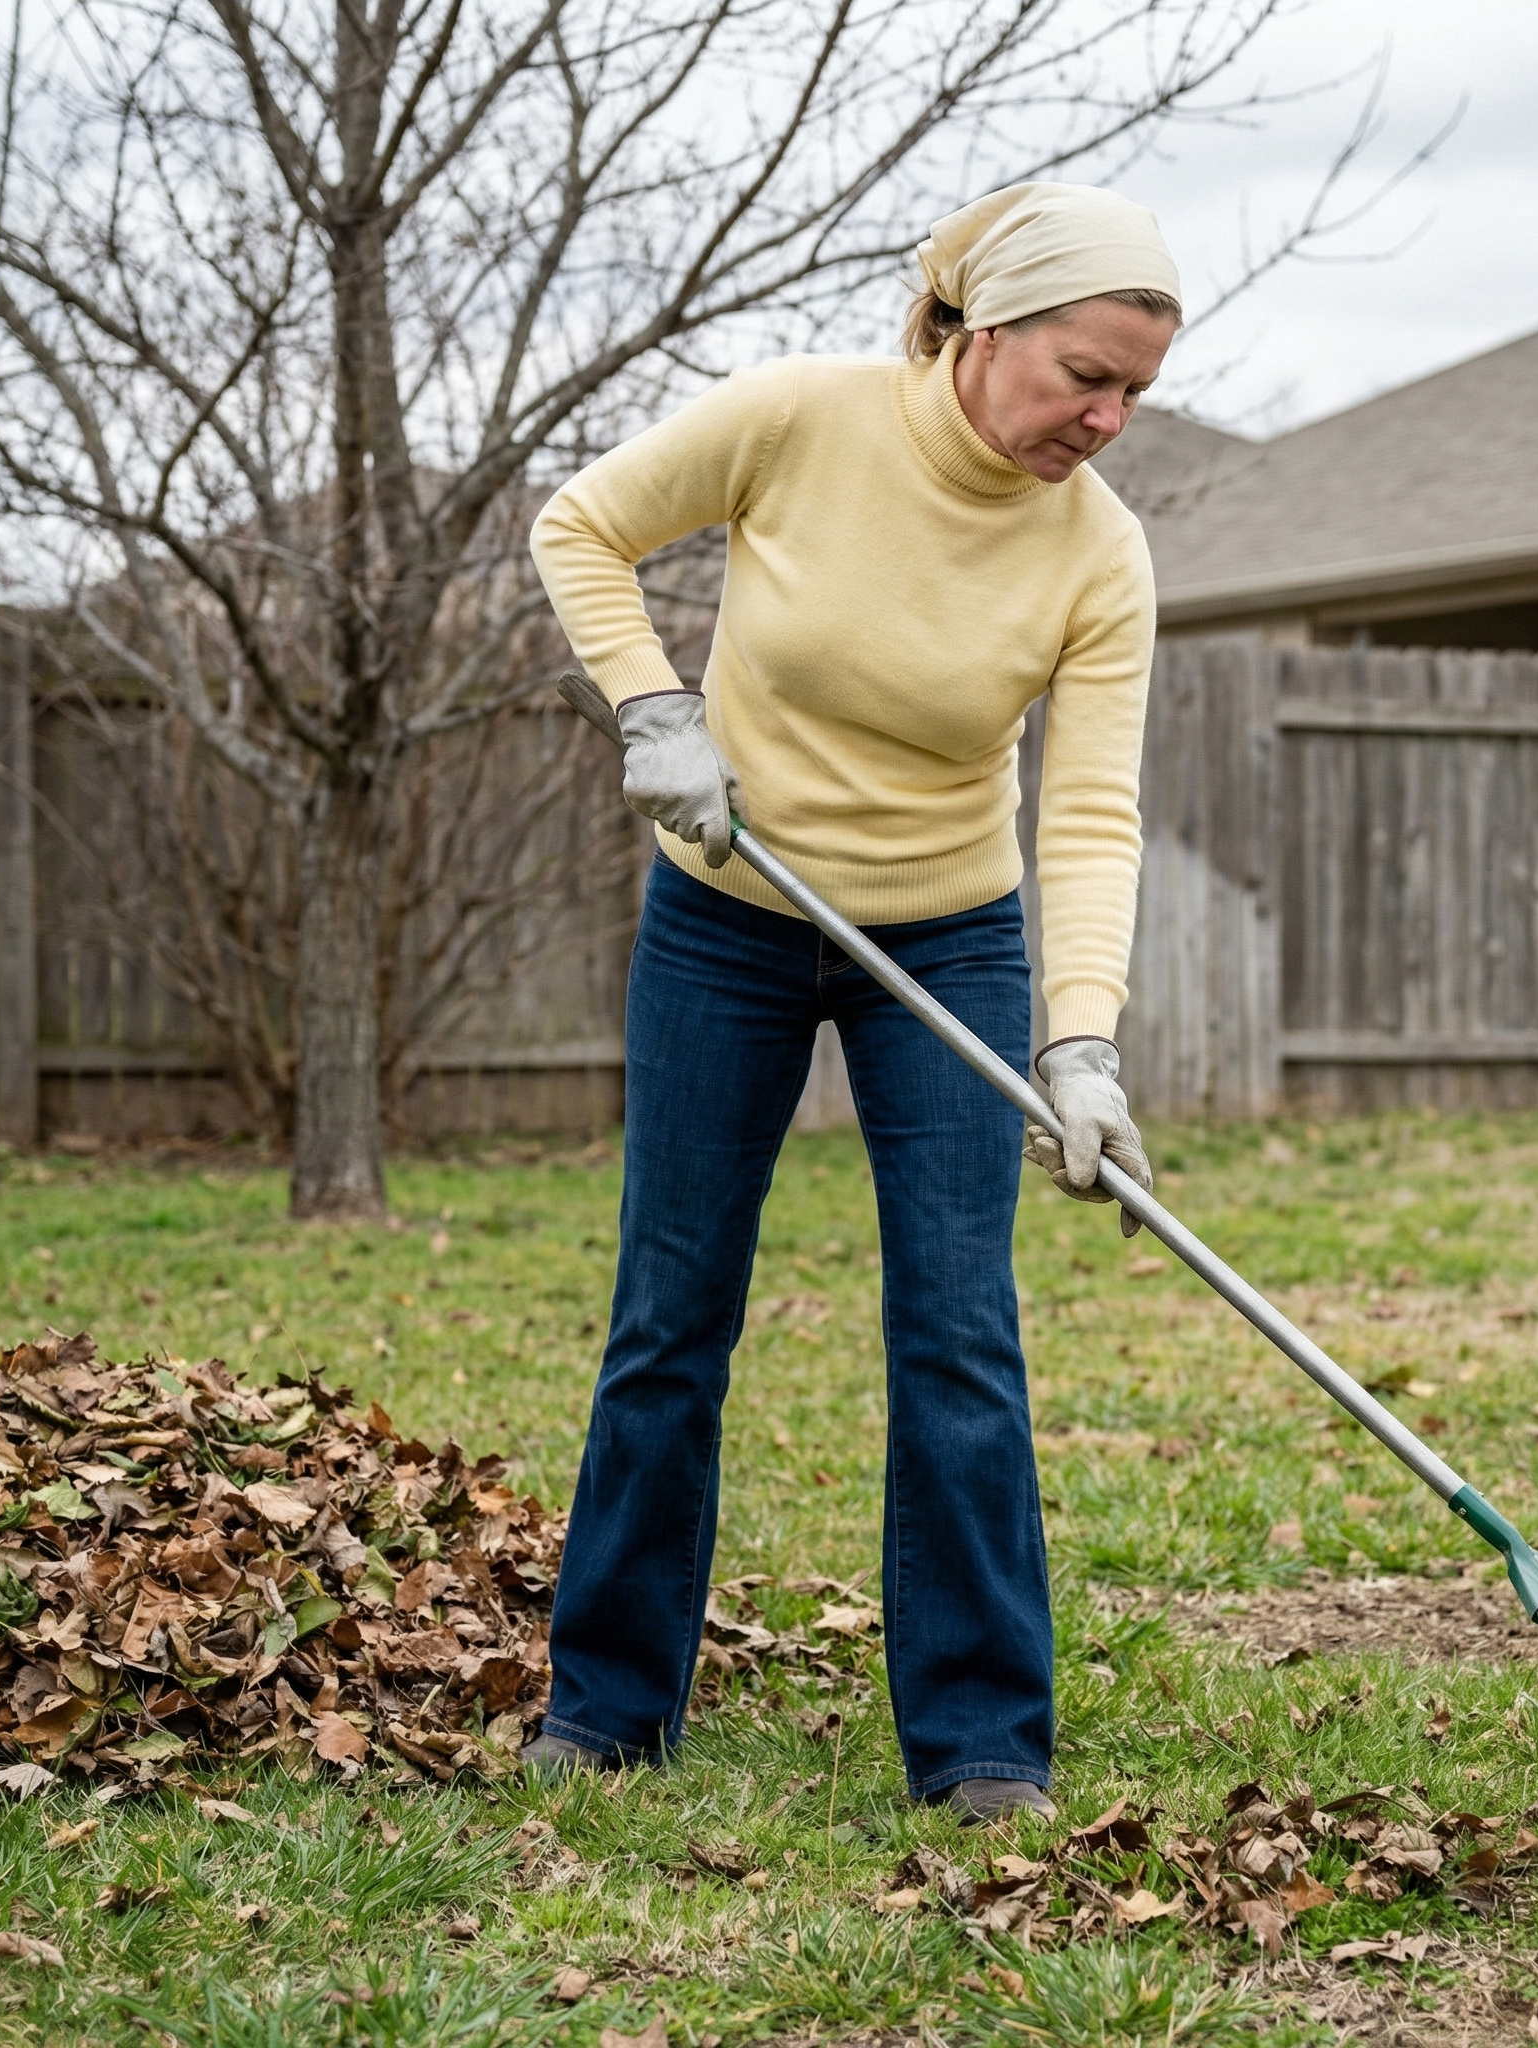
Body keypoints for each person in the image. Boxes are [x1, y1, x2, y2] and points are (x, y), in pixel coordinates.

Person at [523, 182, 1179, 1823]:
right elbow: (578, 526)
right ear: (984, 330)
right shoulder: (801, 419)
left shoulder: (1100, 550)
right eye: (1083, 376)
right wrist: (654, 713)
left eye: (1134, 397)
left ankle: (978, 1743)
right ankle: (605, 1708)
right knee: (670, 1313)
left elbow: (1090, 809)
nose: (1103, 421)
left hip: (948, 940)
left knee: (959, 1327)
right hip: (727, 921)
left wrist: (1080, 1041)